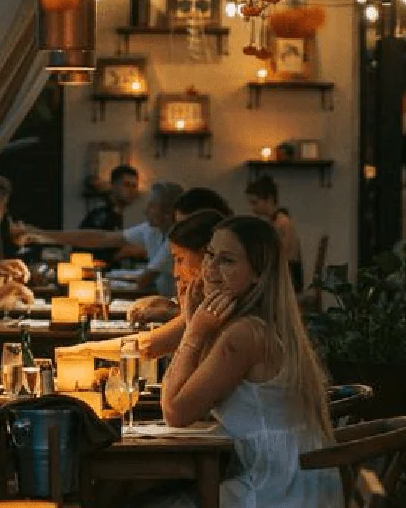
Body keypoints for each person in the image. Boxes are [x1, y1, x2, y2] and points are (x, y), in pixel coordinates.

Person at [150, 215, 342, 507]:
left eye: (226, 261)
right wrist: (194, 322)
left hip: (279, 487)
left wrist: (193, 332)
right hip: (290, 474)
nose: (210, 270)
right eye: (210, 255)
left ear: (257, 274)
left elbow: (175, 412)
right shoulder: (254, 322)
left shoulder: (245, 334)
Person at [58, 209, 227, 363]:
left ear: (205, 256)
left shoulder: (216, 304)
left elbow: (148, 346)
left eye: (180, 259)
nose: (175, 272)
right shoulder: (203, 297)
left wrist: (84, 350)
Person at [13, 182, 185, 296]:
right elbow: (100, 238)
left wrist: (103, 280)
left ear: (169, 212)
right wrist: (40, 234)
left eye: (152, 205)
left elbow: (144, 280)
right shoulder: (151, 230)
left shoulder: (178, 238)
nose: (146, 210)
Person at [245, 175, 304, 293]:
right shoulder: (274, 222)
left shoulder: (282, 222)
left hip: (289, 279)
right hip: (282, 275)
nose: (253, 208)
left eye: (255, 203)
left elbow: (280, 256)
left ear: (270, 199)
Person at [78, 164, 140, 266]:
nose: (131, 191)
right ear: (113, 185)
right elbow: (88, 253)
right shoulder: (100, 217)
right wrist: (124, 252)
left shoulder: (117, 214)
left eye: (134, 186)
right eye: (127, 185)